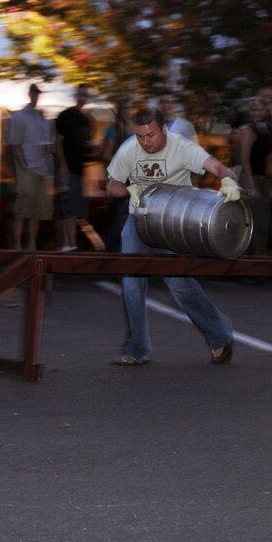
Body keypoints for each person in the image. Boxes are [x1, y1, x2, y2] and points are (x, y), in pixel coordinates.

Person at [105, 107, 241, 366]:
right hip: (139, 219)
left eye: (152, 135)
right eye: (141, 136)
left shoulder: (182, 147)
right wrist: (125, 189)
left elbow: (219, 167)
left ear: (164, 129)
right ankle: (137, 348)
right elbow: (111, 184)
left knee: (179, 283)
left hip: (173, 222)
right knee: (131, 283)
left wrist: (229, 181)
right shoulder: (129, 149)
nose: (146, 142)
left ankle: (219, 335)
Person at [9, 83, 55, 251]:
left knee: (38, 211)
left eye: (38, 93)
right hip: (28, 167)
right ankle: (17, 246)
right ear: (29, 94)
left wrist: (50, 149)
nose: (36, 96)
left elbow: (49, 143)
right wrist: (23, 166)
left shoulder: (43, 117)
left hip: (44, 168)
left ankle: (32, 245)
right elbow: (14, 144)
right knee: (23, 209)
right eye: (34, 93)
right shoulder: (19, 116)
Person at [55, 83, 95, 252]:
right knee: (68, 208)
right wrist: (63, 166)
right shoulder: (65, 115)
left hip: (79, 170)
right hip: (67, 168)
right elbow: (57, 140)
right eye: (81, 94)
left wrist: (94, 150)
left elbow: (85, 148)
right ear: (76, 95)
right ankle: (68, 245)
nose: (83, 98)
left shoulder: (87, 120)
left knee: (75, 208)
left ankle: (70, 245)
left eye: (86, 95)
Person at [238, 96, 272, 255]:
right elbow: (245, 158)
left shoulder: (266, 129)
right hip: (251, 178)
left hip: (263, 179)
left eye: (260, 109)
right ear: (250, 112)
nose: (258, 113)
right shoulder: (249, 130)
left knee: (263, 224)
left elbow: (270, 158)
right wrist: (251, 186)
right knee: (252, 224)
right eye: (254, 110)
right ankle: (248, 267)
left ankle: (258, 264)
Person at [99, 97, 134, 252]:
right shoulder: (113, 130)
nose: (127, 111)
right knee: (119, 213)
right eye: (125, 108)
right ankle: (112, 251)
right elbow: (106, 154)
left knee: (128, 214)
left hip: (133, 177)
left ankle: (123, 250)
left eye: (129, 107)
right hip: (119, 177)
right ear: (120, 110)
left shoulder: (135, 128)